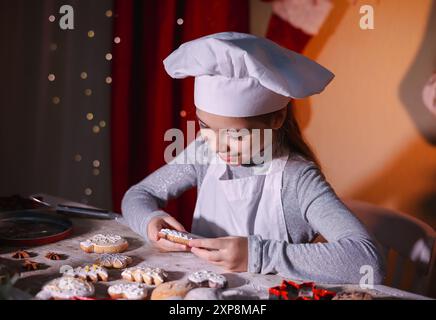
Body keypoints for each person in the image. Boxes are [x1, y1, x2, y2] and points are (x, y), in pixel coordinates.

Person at [122, 32, 385, 284]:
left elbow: (368, 262)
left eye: (236, 135)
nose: (219, 146)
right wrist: (150, 221)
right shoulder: (204, 152)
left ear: (277, 119)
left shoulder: (297, 180)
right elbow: (138, 195)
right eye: (205, 126)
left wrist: (258, 255)